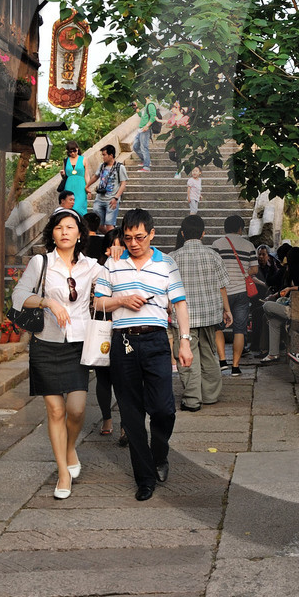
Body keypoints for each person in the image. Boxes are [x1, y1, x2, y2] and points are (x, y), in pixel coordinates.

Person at [94, 208, 193, 501]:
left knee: (164, 409)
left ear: (152, 234)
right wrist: (122, 300)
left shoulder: (167, 264)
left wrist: (184, 341)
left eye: (139, 237)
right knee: (131, 413)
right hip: (122, 342)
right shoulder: (112, 264)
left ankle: (159, 452)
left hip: (156, 341)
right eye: (127, 238)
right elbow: (97, 303)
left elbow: (180, 304)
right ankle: (145, 477)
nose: (133, 243)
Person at [12, 210, 101, 499]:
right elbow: (18, 296)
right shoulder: (41, 262)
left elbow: (116, 281)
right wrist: (47, 301)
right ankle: (63, 472)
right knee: (56, 410)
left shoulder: (91, 266)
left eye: (70, 227)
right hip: (46, 344)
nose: (64, 232)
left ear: (79, 234)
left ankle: (70, 446)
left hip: (78, 345)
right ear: (52, 233)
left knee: (76, 409)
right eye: (59, 227)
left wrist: (116, 255)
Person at [172, 214, 226, 411]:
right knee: (208, 354)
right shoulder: (213, 255)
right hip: (209, 314)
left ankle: (193, 399)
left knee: (187, 357)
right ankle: (210, 395)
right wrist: (226, 310)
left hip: (183, 318)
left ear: (183, 233)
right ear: (204, 233)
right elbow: (222, 287)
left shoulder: (173, 258)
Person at [212, 215, 254, 375]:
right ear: (240, 229)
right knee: (239, 329)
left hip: (222, 292)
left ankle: (222, 361)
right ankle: (236, 367)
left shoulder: (217, 244)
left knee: (218, 327)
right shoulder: (249, 245)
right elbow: (254, 269)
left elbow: (214, 269)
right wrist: (242, 273)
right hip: (242, 292)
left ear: (225, 228)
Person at [91, 143, 127, 230]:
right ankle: (111, 238)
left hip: (111, 200)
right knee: (98, 224)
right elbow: (96, 177)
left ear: (111, 155)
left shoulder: (120, 167)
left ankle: (112, 240)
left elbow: (123, 184)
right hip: (99, 199)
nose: (103, 157)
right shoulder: (102, 166)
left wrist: (116, 198)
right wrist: (87, 186)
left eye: (104, 155)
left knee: (109, 225)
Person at [132, 98, 160, 171]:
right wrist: (136, 108)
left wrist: (147, 126)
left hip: (146, 129)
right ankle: (146, 160)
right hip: (141, 129)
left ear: (145, 97)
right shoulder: (146, 106)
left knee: (144, 147)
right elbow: (143, 116)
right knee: (135, 146)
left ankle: (146, 166)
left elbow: (153, 117)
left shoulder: (150, 105)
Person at [60, 141, 87, 215]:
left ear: (77, 149)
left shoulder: (83, 159)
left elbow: (86, 175)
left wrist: (88, 187)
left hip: (81, 185)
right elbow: (65, 176)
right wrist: (62, 174)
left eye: (74, 151)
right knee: (70, 207)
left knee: (79, 207)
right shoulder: (66, 160)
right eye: (70, 152)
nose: (73, 153)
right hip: (69, 185)